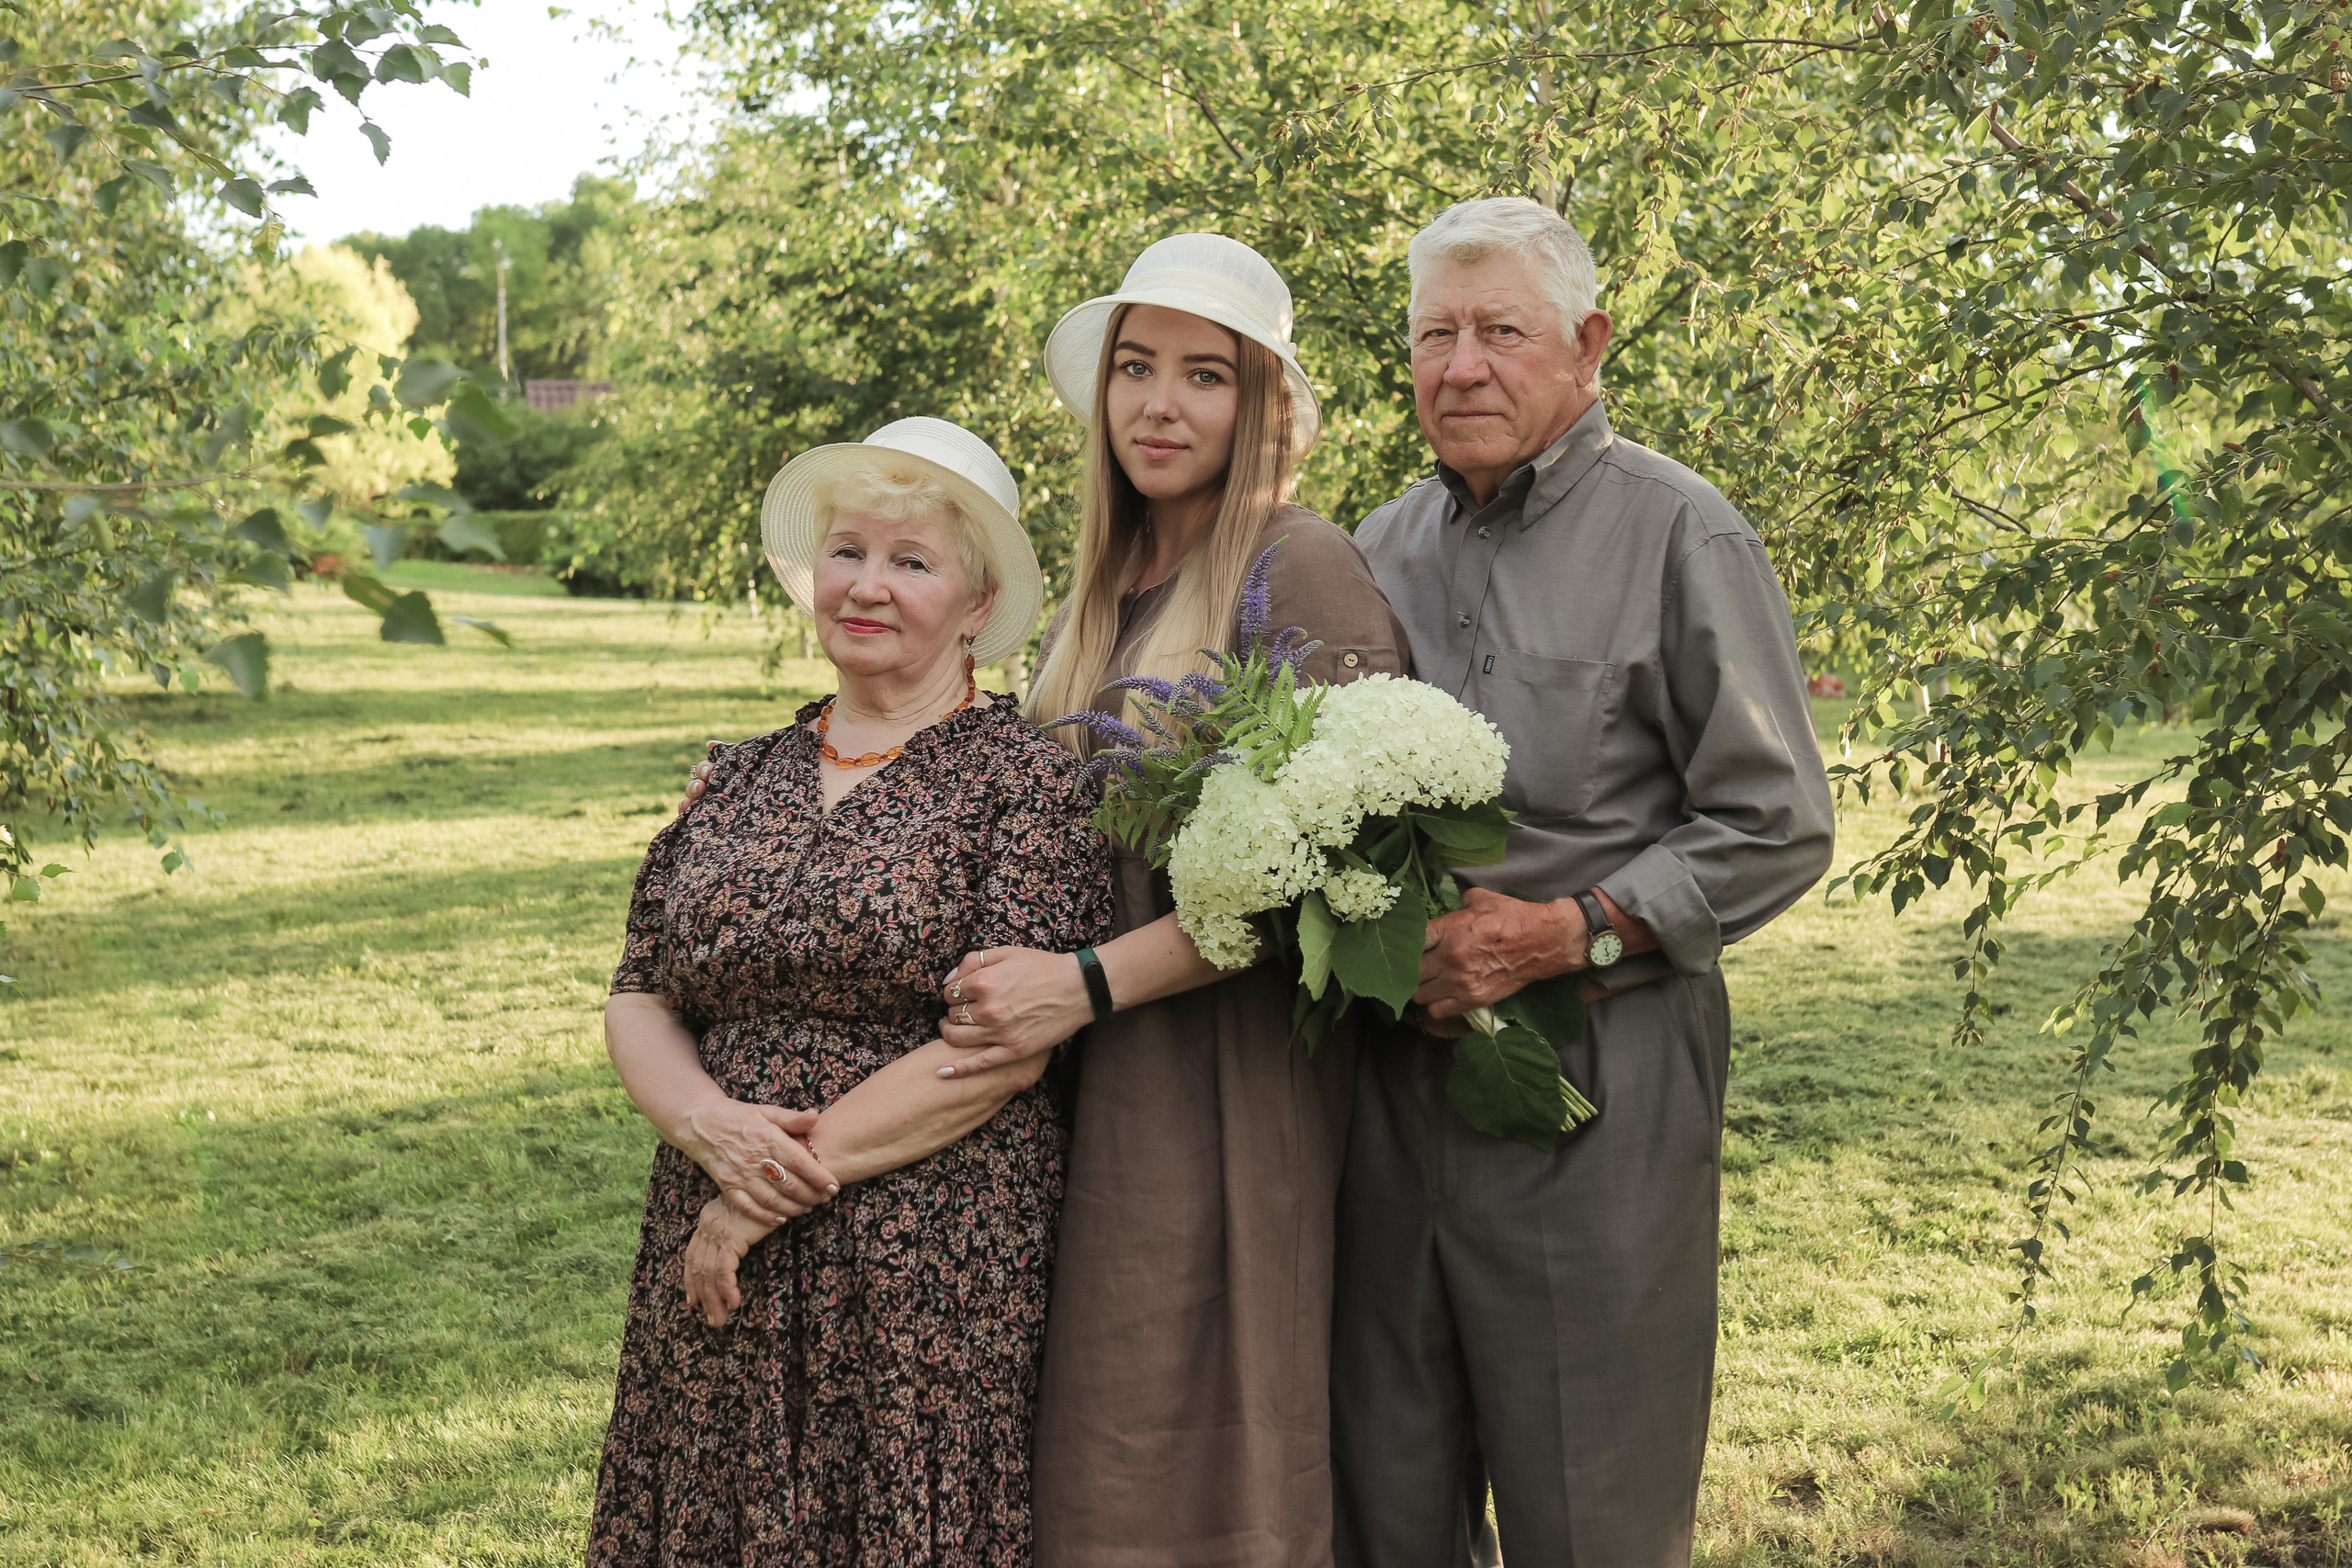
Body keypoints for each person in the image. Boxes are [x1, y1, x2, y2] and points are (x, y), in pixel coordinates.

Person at [1333, 197, 1838, 1567]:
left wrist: (1569, 930)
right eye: (1436, 334)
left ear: (1589, 344)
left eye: (1503, 330)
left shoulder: (1685, 533)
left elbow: (1777, 817)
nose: (1462, 366)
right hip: (1390, 1088)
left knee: (1590, 1503)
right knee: (1384, 1485)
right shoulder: (1377, 547)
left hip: (1603, 1068)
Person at [589, 417, 1113, 1568]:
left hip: (919, 1261)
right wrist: (705, 1128)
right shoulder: (734, 774)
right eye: (848, 553)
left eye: (912, 562)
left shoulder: (1026, 785)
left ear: (978, 604)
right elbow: (639, 991)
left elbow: (1001, 1048)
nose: (867, 587)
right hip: (709, 1242)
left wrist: (755, 1192)